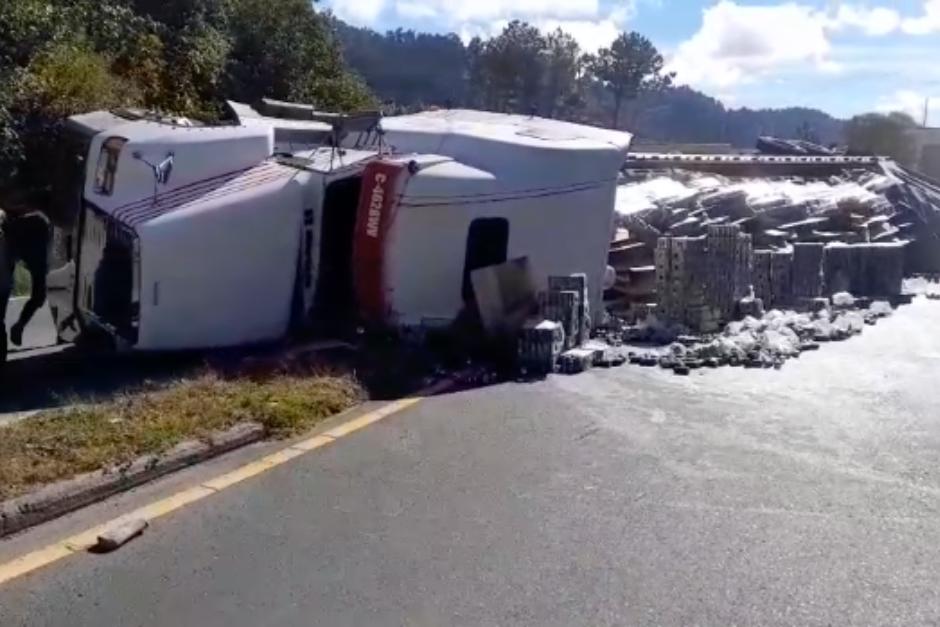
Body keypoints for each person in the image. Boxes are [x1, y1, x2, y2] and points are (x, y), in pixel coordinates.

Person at [5, 212, 50, 349]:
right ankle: (18, 326)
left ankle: (19, 326)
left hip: (30, 234)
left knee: (39, 295)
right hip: (25, 233)